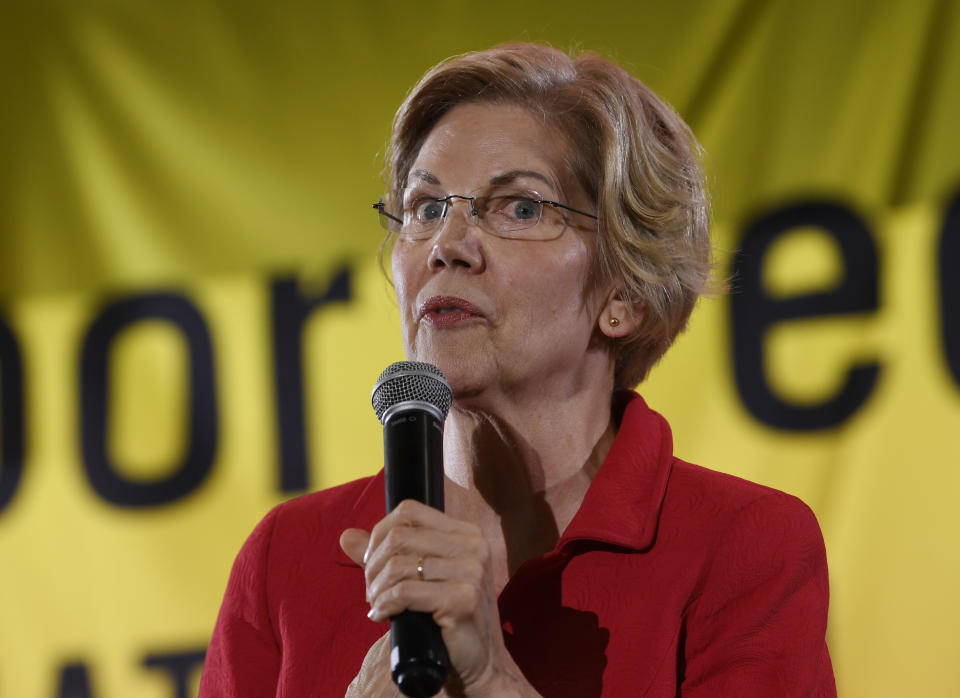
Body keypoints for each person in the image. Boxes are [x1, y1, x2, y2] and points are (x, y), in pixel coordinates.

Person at [199, 43, 836, 697]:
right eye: (425, 208)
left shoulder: (744, 547)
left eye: (521, 208)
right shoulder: (290, 558)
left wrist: (491, 678)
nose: (447, 246)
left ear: (626, 293)